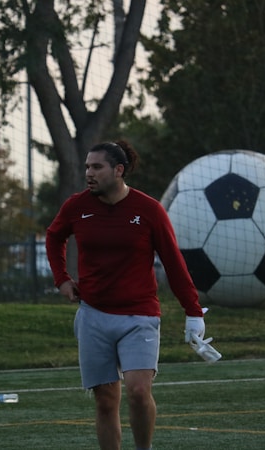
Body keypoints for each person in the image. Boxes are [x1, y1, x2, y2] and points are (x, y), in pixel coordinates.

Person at [45, 140, 211, 450]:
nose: (88, 173)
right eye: (86, 167)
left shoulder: (148, 210)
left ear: (118, 170)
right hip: (93, 316)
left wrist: (193, 311)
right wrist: (62, 280)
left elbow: (174, 263)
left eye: (97, 167)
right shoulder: (76, 207)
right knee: (106, 401)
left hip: (139, 317)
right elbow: (54, 238)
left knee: (137, 391)